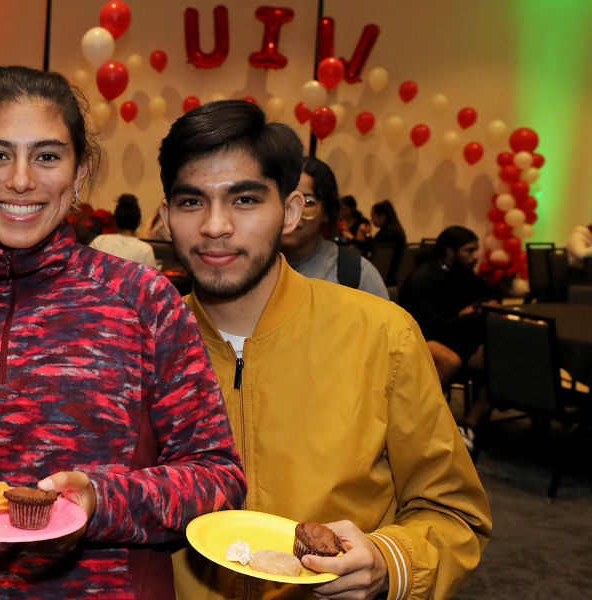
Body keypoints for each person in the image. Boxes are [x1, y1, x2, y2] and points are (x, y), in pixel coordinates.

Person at [0, 66, 246, 600]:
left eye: (47, 156)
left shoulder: (142, 300)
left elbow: (217, 479)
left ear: (79, 173)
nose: (20, 180)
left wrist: (102, 503)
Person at [158, 100, 491, 600]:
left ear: (290, 211)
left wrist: (386, 560)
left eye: (245, 200)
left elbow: (455, 514)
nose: (215, 226)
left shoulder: (381, 336)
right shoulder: (144, 345)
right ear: (165, 217)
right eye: (191, 202)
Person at [399, 226, 501, 452]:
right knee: (450, 361)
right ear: (450, 251)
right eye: (469, 251)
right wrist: (475, 316)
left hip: (451, 334)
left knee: (498, 356)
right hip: (418, 335)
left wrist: (473, 308)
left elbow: (492, 294)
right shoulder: (424, 278)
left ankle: (470, 426)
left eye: (476, 250)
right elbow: (431, 325)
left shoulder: (464, 273)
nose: (476, 256)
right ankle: (407, 419)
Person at [280, 157, 389, 299]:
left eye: (307, 202)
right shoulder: (249, 265)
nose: (291, 214)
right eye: (282, 198)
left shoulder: (355, 273)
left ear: (326, 212)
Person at [90, 193, 157, 267]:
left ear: (115, 220)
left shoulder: (100, 241)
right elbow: (150, 277)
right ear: (138, 222)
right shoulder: (145, 250)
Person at [370, 199, 407, 282]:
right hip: (394, 273)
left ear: (382, 217)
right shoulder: (396, 229)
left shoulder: (388, 233)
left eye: (373, 217)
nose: (371, 220)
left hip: (386, 274)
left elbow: (377, 253)